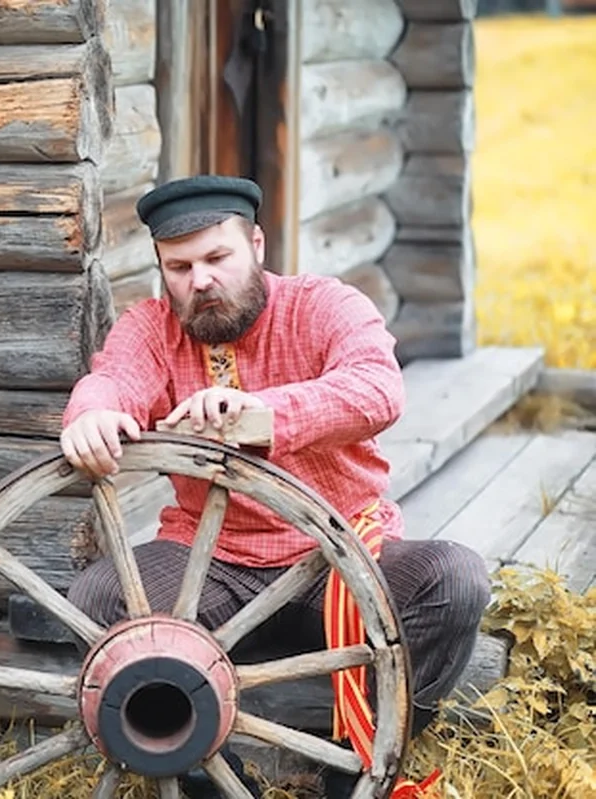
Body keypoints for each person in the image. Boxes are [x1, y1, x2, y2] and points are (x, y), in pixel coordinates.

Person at [59, 175, 491, 799]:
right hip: (213, 566)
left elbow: (377, 388)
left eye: (217, 257)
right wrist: (92, 415)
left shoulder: (324, 306)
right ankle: (220, 779)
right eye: (178, 267)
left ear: (256, 245)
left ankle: (354, 767)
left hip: (340, 559)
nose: (199, 280)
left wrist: (261, 413)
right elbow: (113, 378)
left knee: (454, 579)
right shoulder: (153, 329)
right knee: (102, 595)